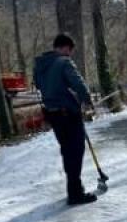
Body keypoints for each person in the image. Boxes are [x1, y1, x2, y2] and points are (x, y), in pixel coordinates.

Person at [34, 33, 97, 205]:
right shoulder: (64, 62)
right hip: (68, 113)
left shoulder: (40, 65)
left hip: (52, 114)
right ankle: (75, 194)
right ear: (65, 48)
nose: (70, 54)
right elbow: (78, 84)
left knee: (67, 150)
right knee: (76, 151)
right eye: (69, 51)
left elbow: (39, 86)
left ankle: (74, 187)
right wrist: (87, 100)